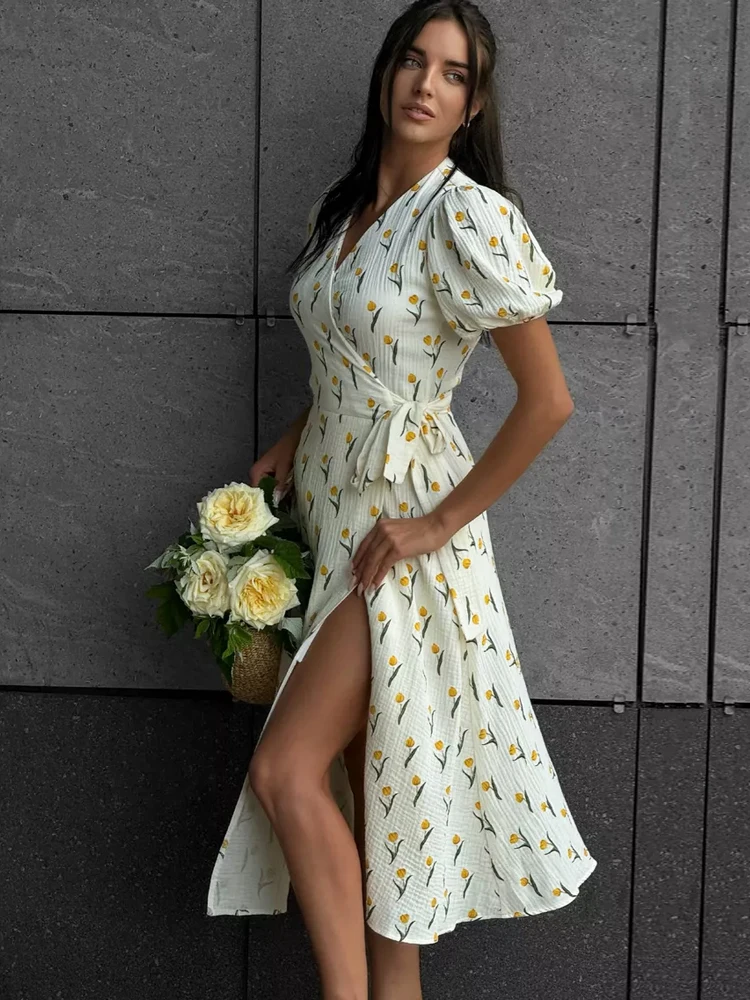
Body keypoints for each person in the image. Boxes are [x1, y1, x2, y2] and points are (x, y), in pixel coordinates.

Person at [207, 2, 598, 998]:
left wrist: (435, 523)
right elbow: (356, 357)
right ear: (387, 74)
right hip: (328, 511)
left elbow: (547, 402)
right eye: (414, 62)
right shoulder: (340, 212)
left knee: (286, 771)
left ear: (473, 106)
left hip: (401, 538)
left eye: (455, 74)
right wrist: (297, 435)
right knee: (385, 818)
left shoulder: (465, 215)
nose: (428, 84)